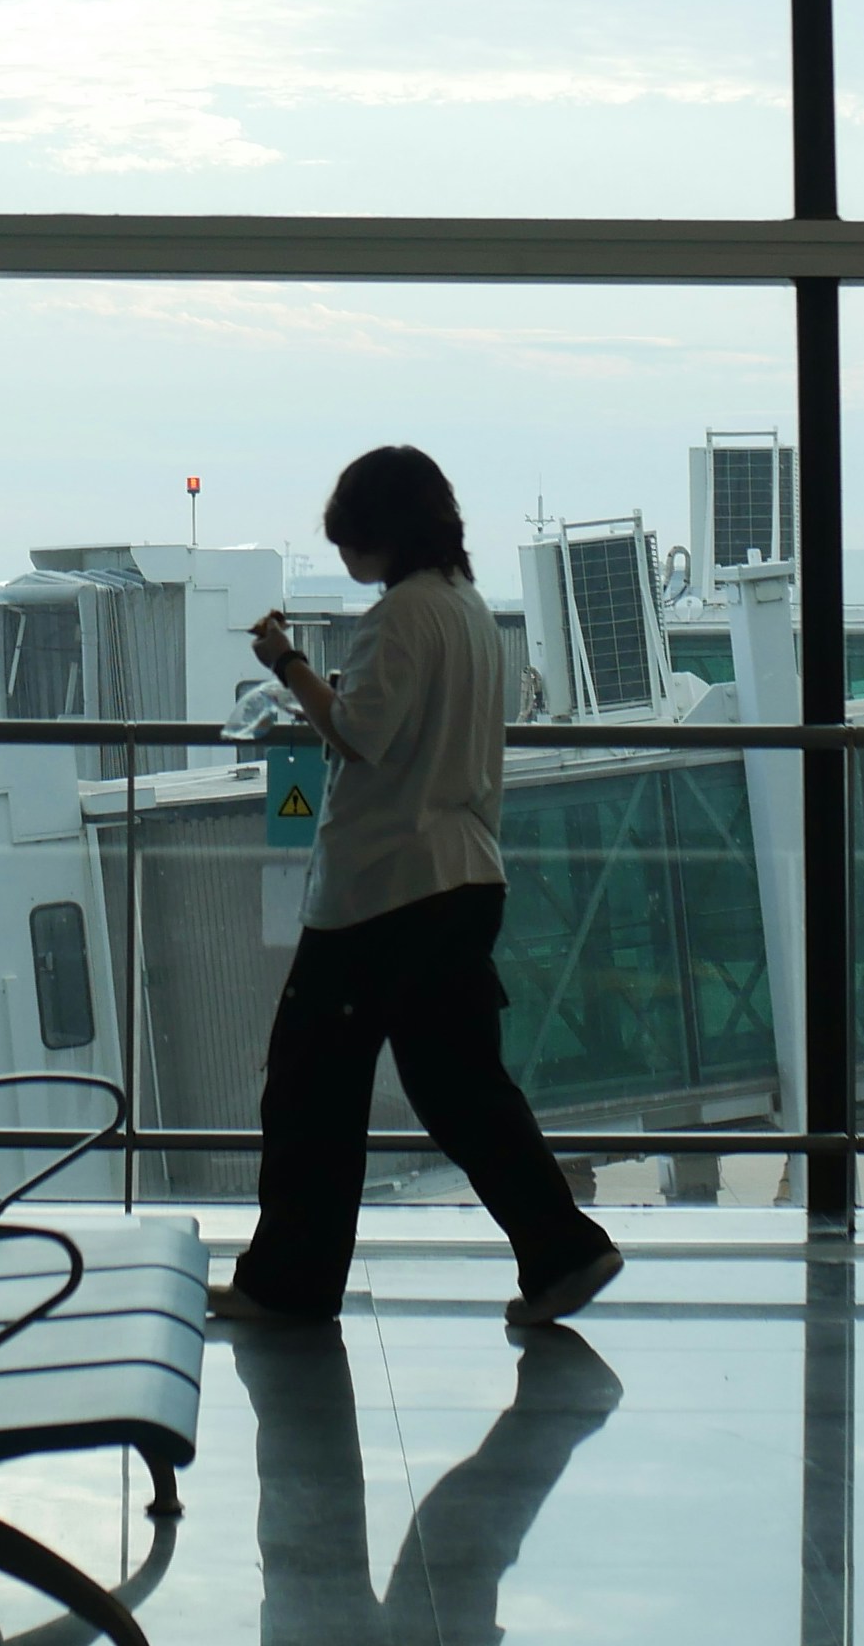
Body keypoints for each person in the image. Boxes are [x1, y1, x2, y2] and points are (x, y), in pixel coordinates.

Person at [221, 443, 622, 1333]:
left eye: (352, 543)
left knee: (309, 1088)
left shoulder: (400, 617)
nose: (349, 562)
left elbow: (361, 735)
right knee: (462, 1088)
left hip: (383, 887)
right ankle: (561, 1248)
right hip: (467, 877)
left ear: (379, 534)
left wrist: (288, 666)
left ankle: (290, 1281)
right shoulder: (472, 614)